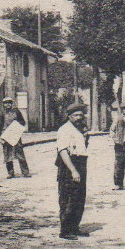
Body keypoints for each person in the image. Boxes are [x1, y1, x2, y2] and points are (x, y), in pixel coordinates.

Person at [55, 102, 90, 240]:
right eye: (75, 115)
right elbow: (63, 151)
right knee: (68, 198)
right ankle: (65, 230)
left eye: (81, 115)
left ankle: (74, 227)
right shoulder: (64, 130)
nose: (79, 117)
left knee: (79, 197)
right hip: (69, 165)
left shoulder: (79, 130)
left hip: (80, 163)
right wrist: (73, 171)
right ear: (69, 116)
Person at [0, 96, 31, 178]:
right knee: (7, 155)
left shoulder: (16, 112)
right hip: (6, 135)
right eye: (6, 103)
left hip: (15, 135)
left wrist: (16, 126)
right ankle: (10, 173)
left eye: (9, 103)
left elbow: (23, 122)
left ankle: (25, 172)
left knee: (20, 153)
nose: (8, 104)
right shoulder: (2, 113)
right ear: (4, 105)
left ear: (12, 103)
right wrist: (1, 137)